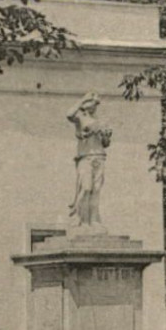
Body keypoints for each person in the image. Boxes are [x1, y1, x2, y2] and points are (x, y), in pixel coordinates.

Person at [67, 91, 112, 228]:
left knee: (96, 189)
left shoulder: (101, 121)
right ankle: (82, 220)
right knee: (86, 188)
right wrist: (82, 100)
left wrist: (105, 135)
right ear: (85, 105)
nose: (93, 106)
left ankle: (94, 220)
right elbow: (69, 114)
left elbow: (105, 143)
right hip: (85, 157)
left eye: (95, 104)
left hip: (99, 156)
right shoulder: (80, 118)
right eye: (91, 103)